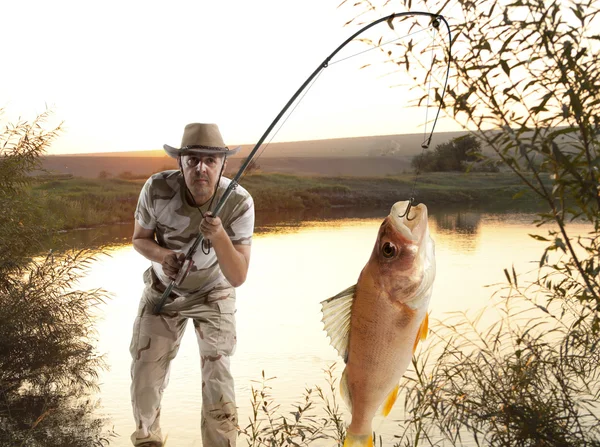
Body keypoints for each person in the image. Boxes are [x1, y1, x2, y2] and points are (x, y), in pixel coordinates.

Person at [129, 123, 254, 447]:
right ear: (180, 162)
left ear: (223, 164)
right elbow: (139, 240)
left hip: (214, 291)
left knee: (218, 377)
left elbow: (238, 276)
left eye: (210, 160)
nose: (201, 167)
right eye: (193, 159)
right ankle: (147, 441)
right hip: (163, 290)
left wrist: (219, 235)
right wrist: (163, 255)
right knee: (145, 375)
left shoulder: (240, 201)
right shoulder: (156, 189)